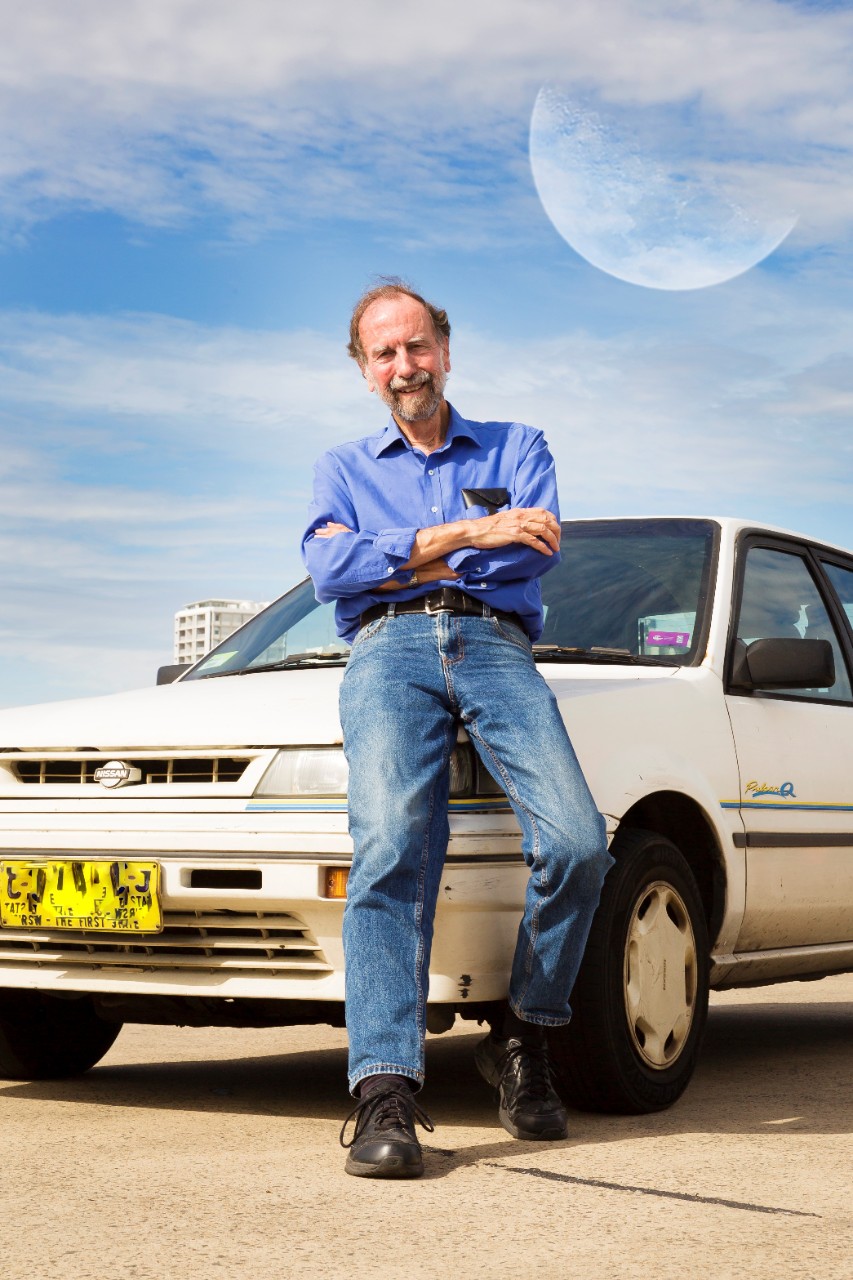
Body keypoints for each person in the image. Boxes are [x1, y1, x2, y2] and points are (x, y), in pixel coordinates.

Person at [302, 279, 612, 1179]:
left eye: (416, 347)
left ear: (445, 347)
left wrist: (394, 554)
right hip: (387, 652)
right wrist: (466, 531)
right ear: (365, 372)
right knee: (394, 844)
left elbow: (533, 546)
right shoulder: (341, 464)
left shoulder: (521, 444)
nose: (404, 367)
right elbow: (329, 571)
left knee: (579, 842)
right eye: (383, 354)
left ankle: (523, 1034)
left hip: (495, 643)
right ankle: (384, 1093)